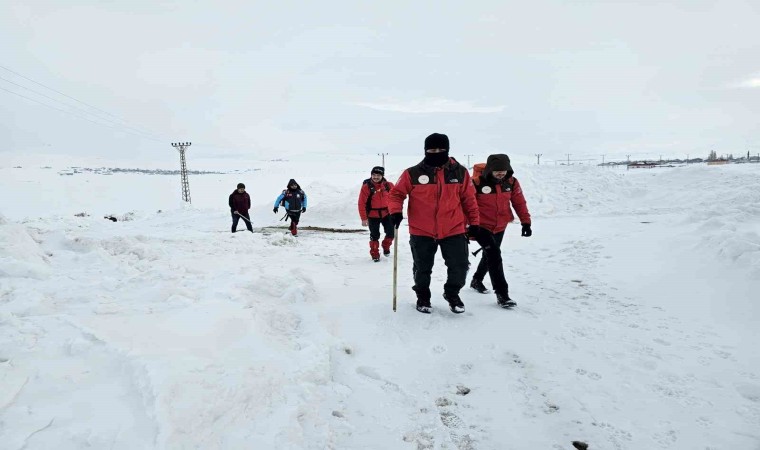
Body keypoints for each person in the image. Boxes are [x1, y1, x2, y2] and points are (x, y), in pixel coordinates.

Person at [388, 133, 482, 314]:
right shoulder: (412, 173)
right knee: (422, 268)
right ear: (425, 150)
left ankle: (452, 294)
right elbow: (396, 194)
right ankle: (423, 297)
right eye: (432, 149)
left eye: (441, 149)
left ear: (447, 149)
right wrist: (395, 211)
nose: (436, 152)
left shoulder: (460, 172)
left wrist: (475, 223)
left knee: (460, 266)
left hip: (454, 228)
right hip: (421, 230)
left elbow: (469, 200)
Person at [469, 154, 532, 307]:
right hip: (481, 226)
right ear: (490, 169)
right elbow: (467, 205)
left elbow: (519, 202)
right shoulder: (476, 183)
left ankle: (477, 280)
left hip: (500, 225)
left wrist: (526, 222)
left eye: (503, 170)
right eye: (497, 170)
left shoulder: (511, 182)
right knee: (494, 255)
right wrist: (469, 226)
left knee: (490, 253)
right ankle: (502, 294)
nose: (500, 173)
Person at [358, 166, 395, 262]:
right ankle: (375, 254)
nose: (375, 177)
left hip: (387, 213)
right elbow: (361, 203)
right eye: (373, 175)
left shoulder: (389, 185)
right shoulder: (366, 187)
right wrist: (364, 218)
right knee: (375, 235)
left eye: (378, 175)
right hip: (372, 215)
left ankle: (386, 246)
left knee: (391, 233)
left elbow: (396, 198)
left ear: (382, 175)